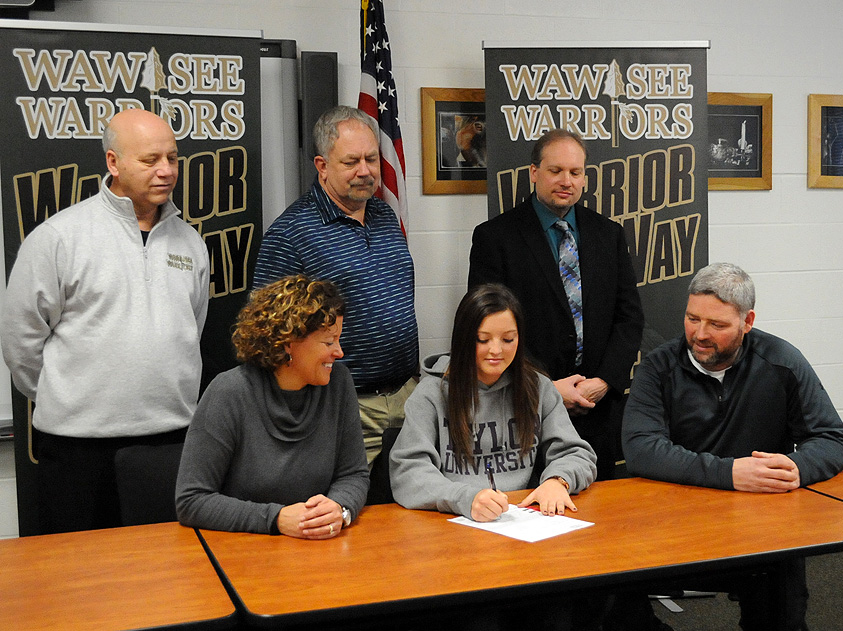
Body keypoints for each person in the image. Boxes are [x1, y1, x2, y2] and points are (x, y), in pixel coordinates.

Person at [1, 108, 210, 534]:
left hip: (172, 443)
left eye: (172, 158)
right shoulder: (60, 238)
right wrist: (69, 396)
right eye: (150, 160)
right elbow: (21, 343)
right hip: (78, 451)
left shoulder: (189, 241)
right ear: (113, 162)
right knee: (81, 584)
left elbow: (193, 328)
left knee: (168, 582)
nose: (166, 170)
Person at [622, 262, 843, 631]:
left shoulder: (781, 361)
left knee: (782, 608)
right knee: (609, 601)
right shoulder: (659, 366)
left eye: (717, 325)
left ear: (747, 322)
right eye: (692, 318)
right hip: (676, 522)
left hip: (759, 526)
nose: (699, 334)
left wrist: (797, 467)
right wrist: (729, 472)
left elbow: (831, 437)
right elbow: (640, 448)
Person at [469, 128, 644, 481]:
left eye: (575, 172)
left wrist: (605, 381)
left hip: (597, 409)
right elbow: (486, 328)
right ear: (534, 173)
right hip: (526, 408)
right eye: (555, 171)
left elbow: (629, 317)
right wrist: (546, 388)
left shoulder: (607, 234)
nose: (566, 181)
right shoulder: (495, 238)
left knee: (600, 518)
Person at [254, 105, 418, 474]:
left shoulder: (385, 215)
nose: (365, 171)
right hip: (341, 406)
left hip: (407, 399)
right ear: (322, 165)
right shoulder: (290, 235)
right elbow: (267, 338)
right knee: (352, 511)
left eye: (372, 159)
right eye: (351, 161)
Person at [176, 275, 369, 537]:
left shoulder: (339, 384)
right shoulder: (229, 393)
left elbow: (354, 474)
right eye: (328, 342)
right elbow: (192, 500)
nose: (339, 352)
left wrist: (339, 508)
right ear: (289, 342)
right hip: (244, 551)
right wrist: (275, 518)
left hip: (319, 547)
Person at [390, 283, 597, 522]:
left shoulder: (538, 387)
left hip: (522, 520)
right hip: (453, 520)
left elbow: (578, 453)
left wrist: (558, 480)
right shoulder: (431, 393)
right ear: (464, 338)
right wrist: (464, 498)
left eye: (508, 339)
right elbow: (408, 472)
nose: (496, 350)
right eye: (483, 339)